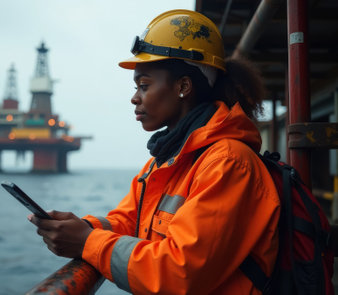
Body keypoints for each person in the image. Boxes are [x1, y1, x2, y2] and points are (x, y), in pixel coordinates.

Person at [28, 9, 280, 294]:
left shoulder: (229, 164)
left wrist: (87, 242)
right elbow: (129, 221)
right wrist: (80, 226)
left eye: (144, 85)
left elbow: (180, 271)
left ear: (183, 86)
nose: (134, 97)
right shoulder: (165, 161)